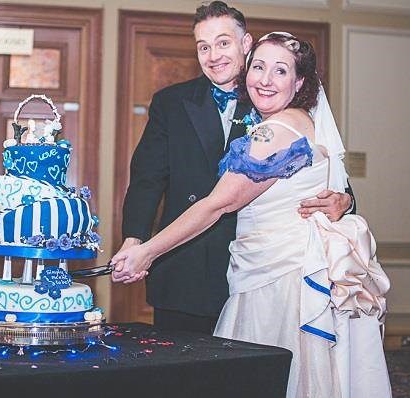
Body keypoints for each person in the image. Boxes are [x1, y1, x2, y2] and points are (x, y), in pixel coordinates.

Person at [113, 32, 391, 397]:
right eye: (258, 67)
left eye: (280, 71)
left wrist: (147, 251)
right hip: (266, 267)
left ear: (300, 83)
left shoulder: (276, 131)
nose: (265, 79)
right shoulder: (297, 122)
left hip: (278, 280)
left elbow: (219, 204)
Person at [117, 1, 354, 334]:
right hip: (185, 265)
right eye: (204, 46)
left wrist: (343, 202)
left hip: (260, 265)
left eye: (223, 42)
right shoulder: (170, 102)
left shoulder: (276, 98)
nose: (214, 55)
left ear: (246, 44)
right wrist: (134, 238)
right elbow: (146, 179)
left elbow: (328, 171)